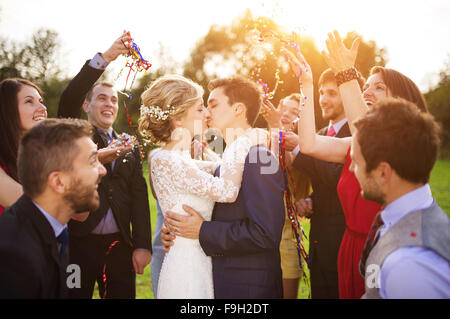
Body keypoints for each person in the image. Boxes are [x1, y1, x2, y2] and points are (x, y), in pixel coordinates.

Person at [283, 30, 429, 298]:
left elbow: (368, 133)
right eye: (366, 87)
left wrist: (346, 73)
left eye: (378, 87)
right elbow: (309, 144)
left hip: (383, 248)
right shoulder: (353, 143)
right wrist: (306, 84)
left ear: (401, 100)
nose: (368, 91)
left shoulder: (402, 144)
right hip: (348, 248)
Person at [160, 76, 286, 299]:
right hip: (216, 281)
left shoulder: (259, 157)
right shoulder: (227, 161)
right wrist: (178, 228)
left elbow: (266, 234)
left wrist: (202, 231)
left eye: (213, 105)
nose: (207, 113)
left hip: (249, 289)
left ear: (238, 109)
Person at [57, 31, 152, 299]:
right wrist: (107, 57)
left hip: (119, 246)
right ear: (86, 105)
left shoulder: (129, 143)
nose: (109, 103)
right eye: (101, 98)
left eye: (113, 100)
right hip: (78, 244)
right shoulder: (76, 134)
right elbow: (69, 97)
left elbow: (138, 195)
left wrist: (142, 245)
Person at [350, 98, 450, 298]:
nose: (352, 169)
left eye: (355, 162)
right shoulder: (412, 213)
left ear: (383, 173)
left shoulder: (409, 267)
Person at [0, 118, 107, 298]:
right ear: (59, 182)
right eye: (92, 161)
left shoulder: (55, 229)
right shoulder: (14, 257)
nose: (102, 170)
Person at [261, 93, 312, 299]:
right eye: (285, 108)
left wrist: (277, 129)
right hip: (261, 236)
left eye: (295, 112)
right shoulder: (260, 139)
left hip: (289, 237)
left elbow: (285, 162)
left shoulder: (304, 148)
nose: (287, 114)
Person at [0, 78, 47, 215]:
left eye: (41, 101)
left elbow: (81, 214)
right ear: (7, 110)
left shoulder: (39, 156)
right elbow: (36, 210)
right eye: (29, 101)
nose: (42, 108)